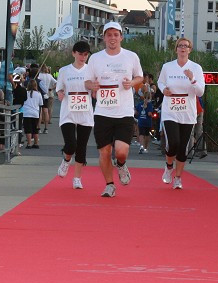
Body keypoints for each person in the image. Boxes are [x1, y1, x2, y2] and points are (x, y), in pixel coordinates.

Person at [84, 21, 143, 198]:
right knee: (104, 151)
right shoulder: (95, 58)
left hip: (124, 111)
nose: (112, 38)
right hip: (102, 112)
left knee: (121, 151)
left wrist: (131, 83)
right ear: (104, 37)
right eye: (109, 35)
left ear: (121, 37)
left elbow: (140, 77)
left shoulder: (131, 56)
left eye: (116, 35)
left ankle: (121, 164)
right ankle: (109, 185)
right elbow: (87, 81)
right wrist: (92, 85)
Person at [157, 36, 205, 189]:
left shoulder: (196, 68)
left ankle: (178, 178)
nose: (183, 48)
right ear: (176, 49)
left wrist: (192, 79)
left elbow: (200, 92)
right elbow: (160, 82)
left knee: (183, 146)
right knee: (174, 142)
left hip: (187, 111)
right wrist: (163, 89)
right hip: (170, 110)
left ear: (190, 50)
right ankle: (169, 166)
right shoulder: (167, 66)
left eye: (186, 46)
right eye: (180, 46)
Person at [55, 41, 94, 189]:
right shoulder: (65, 71)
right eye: (80, 54)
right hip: (68, 112)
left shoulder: (91, 70)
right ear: (74, 53)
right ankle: (66, 160)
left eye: (85, 55)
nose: (83, 57)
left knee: (82, 147)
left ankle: (77, 178)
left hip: (85, 113)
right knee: (71, 143)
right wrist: (60, 93)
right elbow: (59, 88)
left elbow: (95, 88)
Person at [21, 79, 44, 149]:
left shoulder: (25, 93)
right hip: (35, 113)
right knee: (35, 129)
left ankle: (29, 143)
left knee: (28, 129)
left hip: (27, 113)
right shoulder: (38, 94)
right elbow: (41, 104)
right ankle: (36, 143)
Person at [135, 85, 155, 154]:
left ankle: (141, 146)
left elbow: (136, 112)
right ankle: (145, 148)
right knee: (146, 135)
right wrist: (152, 115)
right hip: (147, 121)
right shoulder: (150, 105)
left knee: (141, 134)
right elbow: (149, 113)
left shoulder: (140, 103)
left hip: (141, 121)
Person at [37, 64, 56, 134]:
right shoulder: (49, 76)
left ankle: (39, 128)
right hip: (46, 94)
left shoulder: (39, 75)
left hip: (40, 94)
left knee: (40, 112)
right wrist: (51, 89)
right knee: (46, 111)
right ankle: (46, 128)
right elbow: (56, 82)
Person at [11, 74, 28, 146]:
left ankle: (12, 141)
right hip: (20, 109)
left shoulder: (12, 90)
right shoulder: (23, 90)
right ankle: (19, 141)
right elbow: (25, 98)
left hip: (12, 109)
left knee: (12, 126)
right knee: (19, 126)